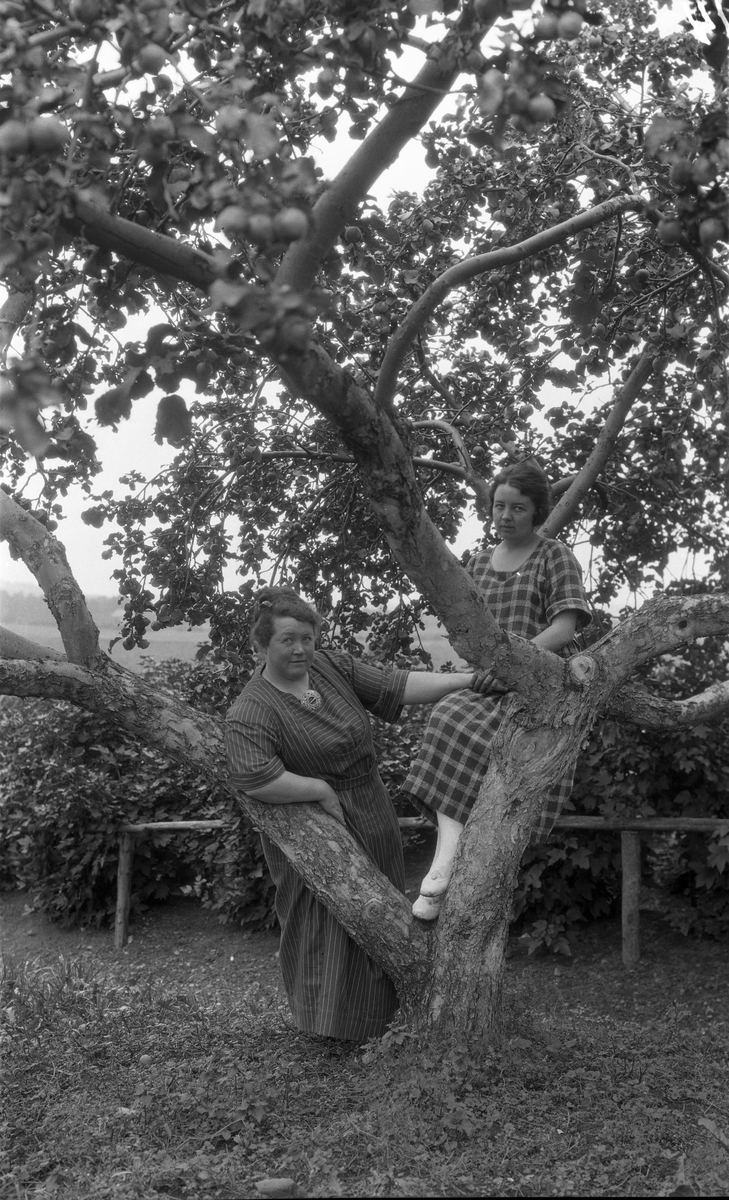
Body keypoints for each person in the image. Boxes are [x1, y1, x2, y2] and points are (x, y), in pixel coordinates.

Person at [225, 586, 485, 1042]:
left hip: (370, 805)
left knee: (382, 909)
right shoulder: (252, 708)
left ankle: (384, 1021)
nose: (301, 649)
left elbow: (396, 686)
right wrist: (317, 788)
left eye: (307, 637)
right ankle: (327, 1026)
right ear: (261, 644)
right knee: (323, 919)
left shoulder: (330, 667)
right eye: (288, 639)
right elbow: (255, 777)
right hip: (316, 829)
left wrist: (467, 679)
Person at [405, 459, 592, 921]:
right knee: (447, 713)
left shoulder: (554, 555)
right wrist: (487, 664)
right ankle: (446, 858)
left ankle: (446, 867)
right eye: (498, 507)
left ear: (536, 511)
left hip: (538, 685)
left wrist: (512, 664)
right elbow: (464, 629)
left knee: (477, 730)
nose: (505, 516)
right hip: (487, 683)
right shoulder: (475, 564)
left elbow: (565, 627)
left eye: (518, 508)